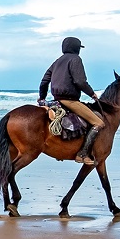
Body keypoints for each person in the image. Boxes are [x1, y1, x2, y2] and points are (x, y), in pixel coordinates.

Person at [38, 36, 105, 165]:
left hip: (56, 100)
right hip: (70, 101)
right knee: (98, 123)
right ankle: (82, 154)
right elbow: (79, 81)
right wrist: (92, 94)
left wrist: (42, 98)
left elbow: (44, 81)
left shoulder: (57, 61)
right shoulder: (76, 59)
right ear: (76, 48)